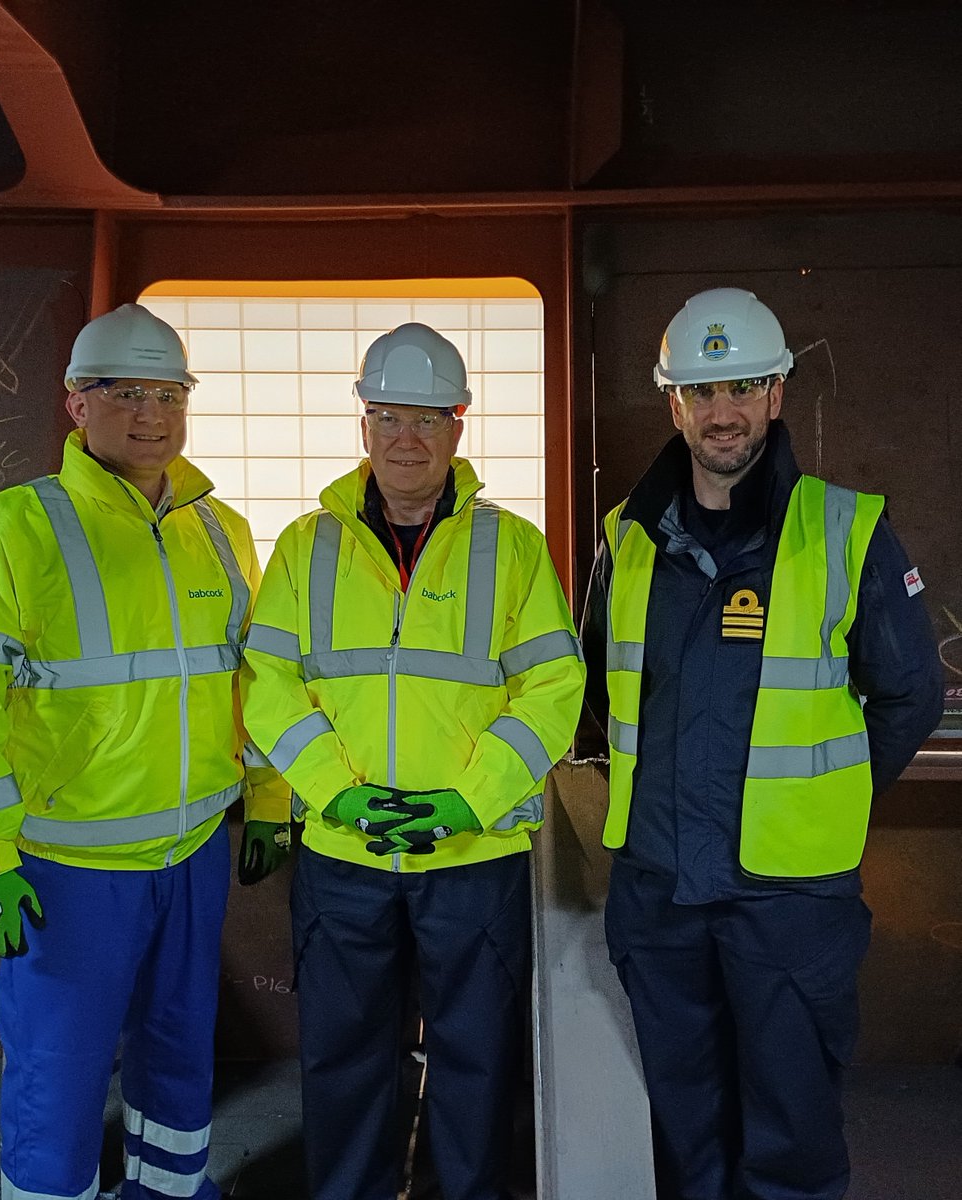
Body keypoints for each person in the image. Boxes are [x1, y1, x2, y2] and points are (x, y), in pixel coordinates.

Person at [0, 303, 291, 1200]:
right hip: (65, 866)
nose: (151, 413)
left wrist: (271, 798)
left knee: (178, 1049)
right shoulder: (13, 528)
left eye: (169, 393)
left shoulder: (220, 529)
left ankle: (169, 1190)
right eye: (126, 392)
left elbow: (260, 677)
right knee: (60, 1070)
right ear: (76, 405)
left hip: (193, 851)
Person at [580, 287, 942, 1200]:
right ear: (674, 403)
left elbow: (910, 694)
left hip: (788, 907)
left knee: (791, 1139)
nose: (723, 411)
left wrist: (826, 801)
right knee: (688, 1135)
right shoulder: (626, 536)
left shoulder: (843, 528)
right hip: (661, 895)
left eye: (742, 386)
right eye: (702, 392)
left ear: (778, 392)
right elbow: (594, 695)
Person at [239, 322, 585, 1200]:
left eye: (428, 417)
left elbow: (553, 687)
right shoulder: (305, 548)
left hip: (473, 859)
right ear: (363, 423)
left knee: (478, 1061)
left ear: (459, 427)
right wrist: (336, 795)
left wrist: (472, 800)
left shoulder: (511, 549)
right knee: (346, 1062)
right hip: (345, 859)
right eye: (389, 414)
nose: (407, 436)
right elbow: (269, 687)